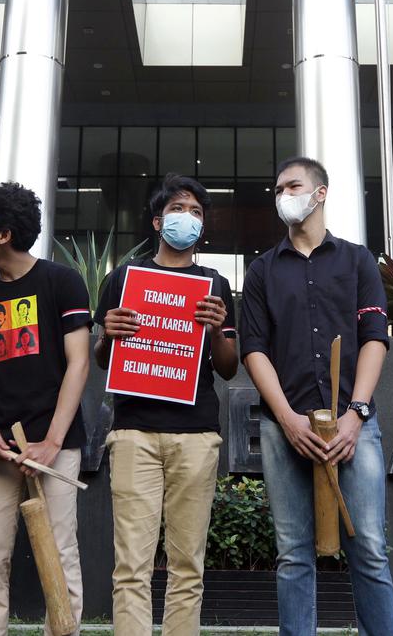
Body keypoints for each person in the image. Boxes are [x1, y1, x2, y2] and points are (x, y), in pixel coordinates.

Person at [239, 157, 393, 635]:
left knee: (368, 546)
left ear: (320, 192)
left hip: (353, 425)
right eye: (278, 188)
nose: (282, 195)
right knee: (292, 553)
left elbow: (375, 336)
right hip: (283, 427)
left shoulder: (357, 260)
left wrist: (356, 414)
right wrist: (287, 418)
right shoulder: (262, 270)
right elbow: (253, 348)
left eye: (292, 185)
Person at [95, 174, 238, 635]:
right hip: (134, 431)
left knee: (187, 566)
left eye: (196, 212)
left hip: (196, 434)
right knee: (131, 566)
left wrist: (216, 330)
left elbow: (230, 367)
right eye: (179, 209)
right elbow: (102, 358)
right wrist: (108, 336)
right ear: (158, 221)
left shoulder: (215, 284)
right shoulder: (123, 278)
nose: (188, 218)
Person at [0, 182, 91, 636]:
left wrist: (53, 441)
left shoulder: (62, 281)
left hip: (54, 448)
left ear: (4, 234)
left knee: (60, 556)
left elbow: (78, 363)